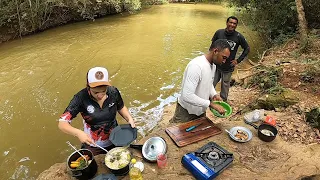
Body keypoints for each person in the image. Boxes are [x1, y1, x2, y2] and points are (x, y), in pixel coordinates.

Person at [58, 67, 135, 155]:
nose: (100, 96)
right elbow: (62, 123)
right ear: (88, 86)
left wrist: (129, 118)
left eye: (103, 91)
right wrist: (78, 133)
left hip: (115, 136)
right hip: (94, 143)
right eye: (95, 92)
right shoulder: (80, 98)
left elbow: (121, 107)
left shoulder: (113, 92)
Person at [171, 39, 231, 123]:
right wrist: (210, 104)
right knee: (177, 133)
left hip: (201, 110)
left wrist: (214, 94)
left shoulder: (213, 65)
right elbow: (187, 95)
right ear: (216, 51)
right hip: (186, 111)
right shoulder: (196, 66)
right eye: (224, 57)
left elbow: (208, 83)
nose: (224, 61)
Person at [210, 16, 250, 102]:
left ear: (236, 25)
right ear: (227, 23)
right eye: (230, 22)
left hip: (228, 66)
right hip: (216, 65)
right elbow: (212, 47)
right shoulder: (219, 33)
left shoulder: (239, 36)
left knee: (225, 85)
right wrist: (210, 60)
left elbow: (247, 48)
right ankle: (207, 99)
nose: (232, 25)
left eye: (234, 23)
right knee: (211, 82)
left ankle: (223, 101)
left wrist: (238, 60)